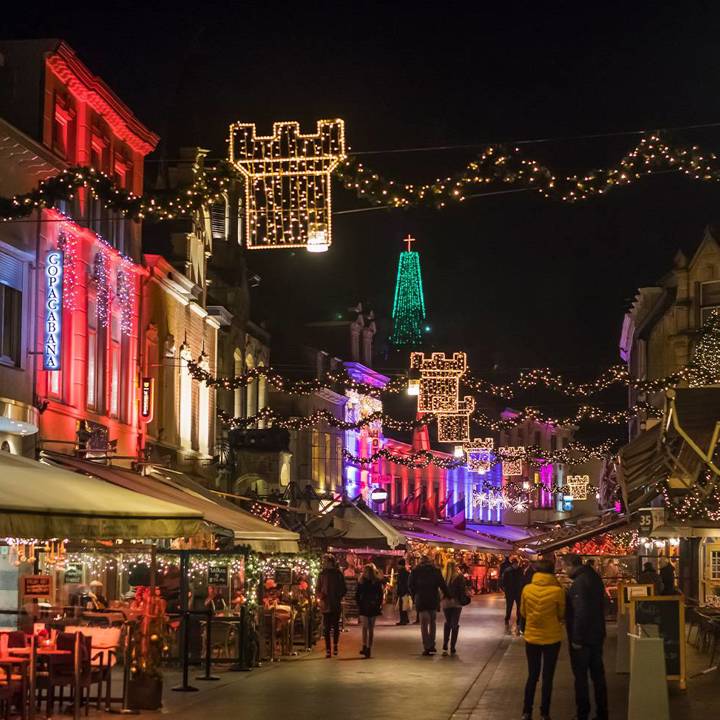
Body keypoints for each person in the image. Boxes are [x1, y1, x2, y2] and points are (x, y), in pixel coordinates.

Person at [520, 560, 566, 720]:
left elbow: (523, 612)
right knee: (548, 676)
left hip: (531, 637)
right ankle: (545, 712)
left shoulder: (527, 589)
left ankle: (526, 711)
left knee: (532, 675)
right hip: (552, 638)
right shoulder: (557, 591)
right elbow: (561, 613)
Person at [566, 554, 608, 720]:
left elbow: (580, 612)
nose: (564, 570)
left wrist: (576, 638)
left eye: (564, 567)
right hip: (597, 633)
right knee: (598, 676)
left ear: (571, 565)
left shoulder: (579, 583)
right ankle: (602, 712)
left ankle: (583, 713)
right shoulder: (594, 577)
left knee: (581, 678)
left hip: (584, 639)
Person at [409, 555, 448, 655]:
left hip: (421, 599)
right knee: (432, 622)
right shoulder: (435, 571)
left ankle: (427, 646)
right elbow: (442, 584)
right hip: (433, 599)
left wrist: (414, 597)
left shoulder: (415, 571)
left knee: (424, 624)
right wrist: (448, 595)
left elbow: (410, 585)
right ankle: (432, 644)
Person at [317, 554, 347, 658]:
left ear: (330, 562)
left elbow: (344, 588)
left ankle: (335, 645)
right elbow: (318, 588)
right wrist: (321, 595)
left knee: (335, 626)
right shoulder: (322, 574)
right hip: (326, 604)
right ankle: (328, 649)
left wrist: (338, 595)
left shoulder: (338, 574)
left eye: (326, 561)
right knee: (326, 627)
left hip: (335, 604)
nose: (324, 563)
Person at [356, 563, 384, 658]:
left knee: (370, 628)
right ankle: (365, 645)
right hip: (365, 606)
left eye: (368, 572)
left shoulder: (376, 582)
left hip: (372, 606)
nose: (366, 573)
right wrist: (359, 604)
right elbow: (357, 594)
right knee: (365, 626)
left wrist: (378, 604)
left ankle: (368, 647)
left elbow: (380, 594)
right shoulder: (362, 581)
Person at [441, 560, 467, 656]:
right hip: (456, 603)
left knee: (448, 622)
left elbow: (441, 590)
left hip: (446, 602)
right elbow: (462, 590)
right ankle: (452, 646)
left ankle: (445, 643)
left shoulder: (444, 577)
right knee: (454, 624)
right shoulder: (459, 576)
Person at [502, 558, 523, 628]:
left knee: (518, 606)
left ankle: (518, 619)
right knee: (510, 606)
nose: (516, 565)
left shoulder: (519, 570)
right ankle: (507, 618)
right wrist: (505, 590)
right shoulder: (508, 571)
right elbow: (504, 581)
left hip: (516, 591)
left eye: (516, 563)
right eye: (515, 564)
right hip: (511, 591)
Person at [396, 559, 411, 625]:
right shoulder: (407, 572)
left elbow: (400, 583)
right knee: (405, 606)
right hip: (406, 591)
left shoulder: (401, 572)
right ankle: (406, 619)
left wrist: (399, 591)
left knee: (402, 607)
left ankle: (403, 620)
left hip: (402, 591)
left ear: (400, 565)